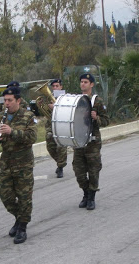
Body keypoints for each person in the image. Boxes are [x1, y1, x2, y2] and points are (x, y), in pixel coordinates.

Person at [0, 82, 38, 244]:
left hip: (23, 164)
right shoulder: (0, 117)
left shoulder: (28, 116)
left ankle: (22, 226)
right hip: (6, 163)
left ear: (18, 100)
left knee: (24, 197)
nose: (6, 104)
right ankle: (19, 217)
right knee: (6, 196)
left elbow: (32, 137)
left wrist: (12, 132)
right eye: (5, 100)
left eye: (9, 100)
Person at [72, 73, 109, 210]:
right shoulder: (76, 100)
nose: (83, 84)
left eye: (86, 82)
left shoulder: (97, 101)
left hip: (93, 142)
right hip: (79, 141)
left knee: (93, 171)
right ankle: (86, 193)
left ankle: (91, 197)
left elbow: (106, 121)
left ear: (92, 84)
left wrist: (96, 117)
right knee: (79, 171)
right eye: (81, 82)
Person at [44, 79, 68, 178]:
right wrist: (45, 105)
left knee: (61, 146)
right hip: (51, 124)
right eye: (53, 86)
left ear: (61, 87)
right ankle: (60, 162)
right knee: (50, 145)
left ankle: (60, 167)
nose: (55, 88)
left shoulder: (66, 97)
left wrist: (56, 107)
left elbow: (68, 110)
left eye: (57, 86)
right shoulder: (48, 98)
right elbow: (41, 111)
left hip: (62, 124)